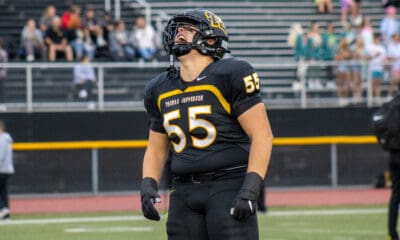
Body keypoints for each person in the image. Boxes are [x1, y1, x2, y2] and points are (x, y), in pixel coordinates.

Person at [140, 9, 273, 240]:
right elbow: (156, 147)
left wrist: (251, 188)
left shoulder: (231, 74)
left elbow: (262, 135)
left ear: (210, 39)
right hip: (182, 192)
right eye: (178, 28)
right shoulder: (158, 88)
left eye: (189, 28)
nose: (179, 32)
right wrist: (148, 185)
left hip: (227, 185)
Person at [0, 120, 14, 220]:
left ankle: (2, 209)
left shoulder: (2, 140)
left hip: (1, 169)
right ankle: (6, 213)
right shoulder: (7, 139)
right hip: (7, 169)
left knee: (2, 190)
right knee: (3, 191)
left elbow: (1, 156)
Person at [366, 33, 386, 101]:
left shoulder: (382, 48)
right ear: (374, 39)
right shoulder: (370, 47)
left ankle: (378, 98)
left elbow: (384, 58)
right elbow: (367, 57)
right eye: (377, 38)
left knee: (378, 83)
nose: (378, 40)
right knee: (373, 83)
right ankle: (371, 98)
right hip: (373, 68)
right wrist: (375, 55)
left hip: (380, 68)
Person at [0, 38, 7, 104]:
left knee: (1, 90)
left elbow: (4, 63)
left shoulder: (3, 52)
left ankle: (2, 103)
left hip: (1, 74)